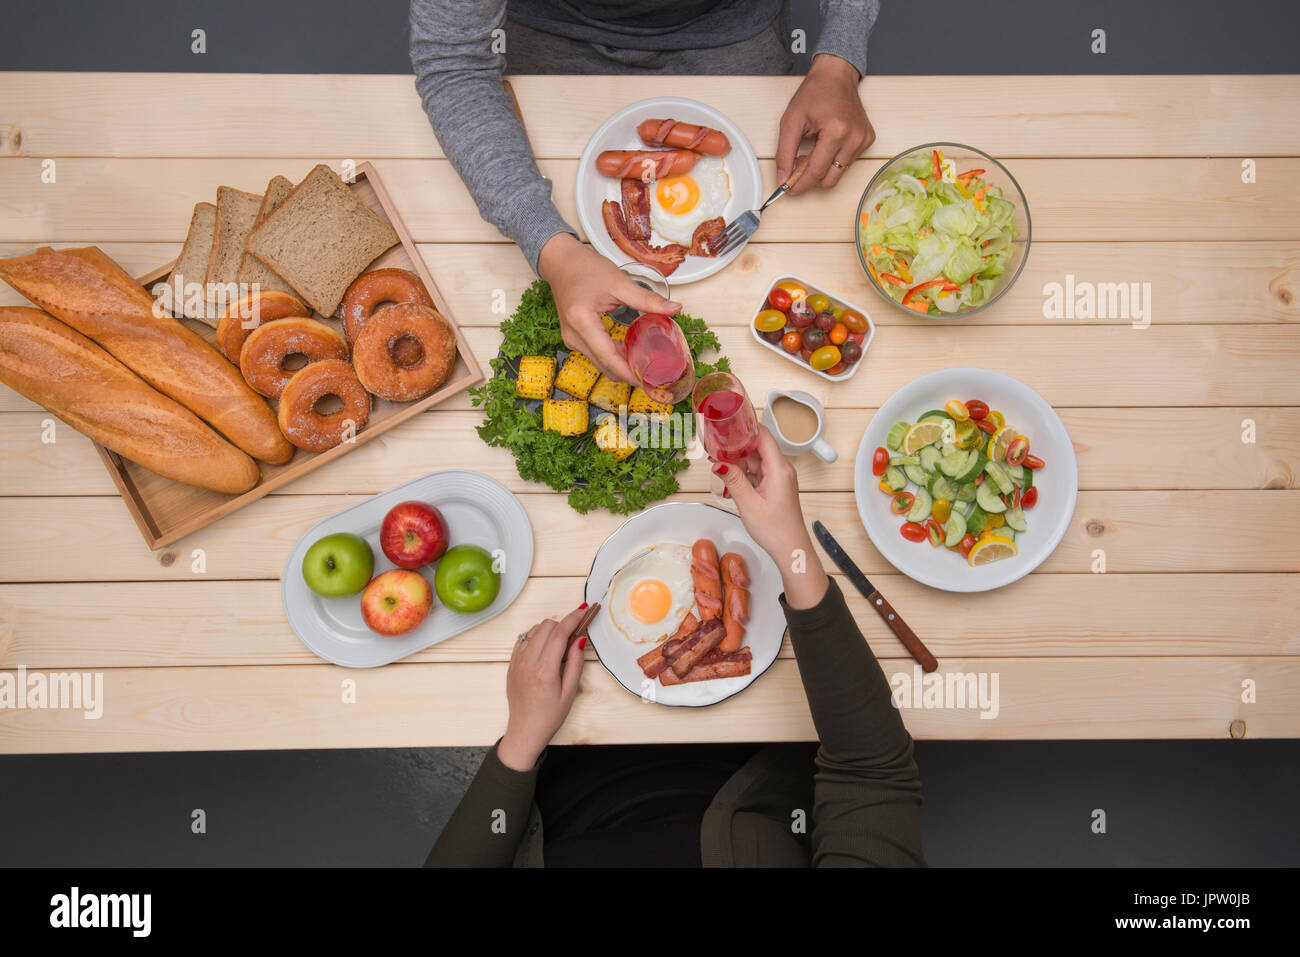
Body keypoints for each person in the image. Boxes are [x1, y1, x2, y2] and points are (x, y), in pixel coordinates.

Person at [426, 426, 925, 866]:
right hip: (758, 763)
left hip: (566, 770)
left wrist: (519, 742)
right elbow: (871, 767)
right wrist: (791, 547)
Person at [410, 0, 879, 380]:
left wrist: (839, 59)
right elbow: (455, 61)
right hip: (549, 41)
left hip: (734, 35)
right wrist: (551, 248)